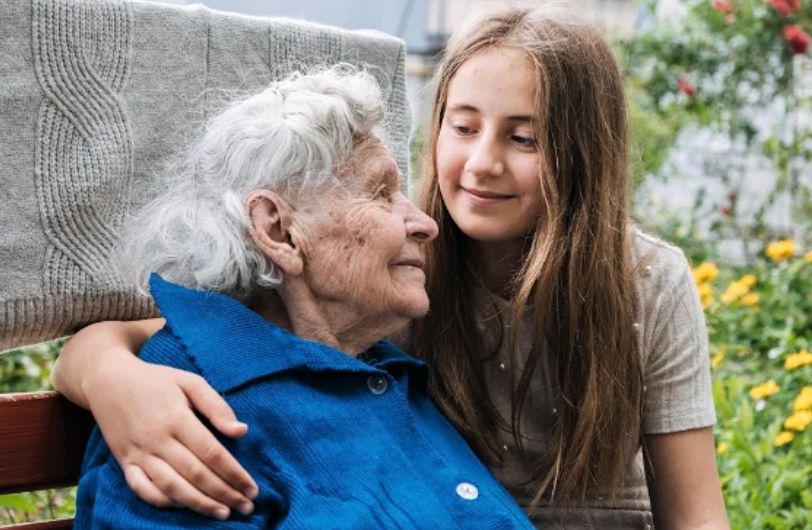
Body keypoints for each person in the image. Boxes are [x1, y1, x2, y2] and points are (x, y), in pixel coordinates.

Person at [53, 3, 731, 529]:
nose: (481, 163)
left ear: (583, 153)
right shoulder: (395, 284)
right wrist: (112, 376)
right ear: (277, 229)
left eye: (523, 138)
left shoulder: (640, 281)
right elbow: (180, 335)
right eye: (461, 128)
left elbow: (695, 511)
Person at [71, 66, 535, 529]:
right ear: (279, 230)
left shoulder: (379, 367)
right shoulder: (190, 411)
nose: (426, 225)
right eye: (381, 193)